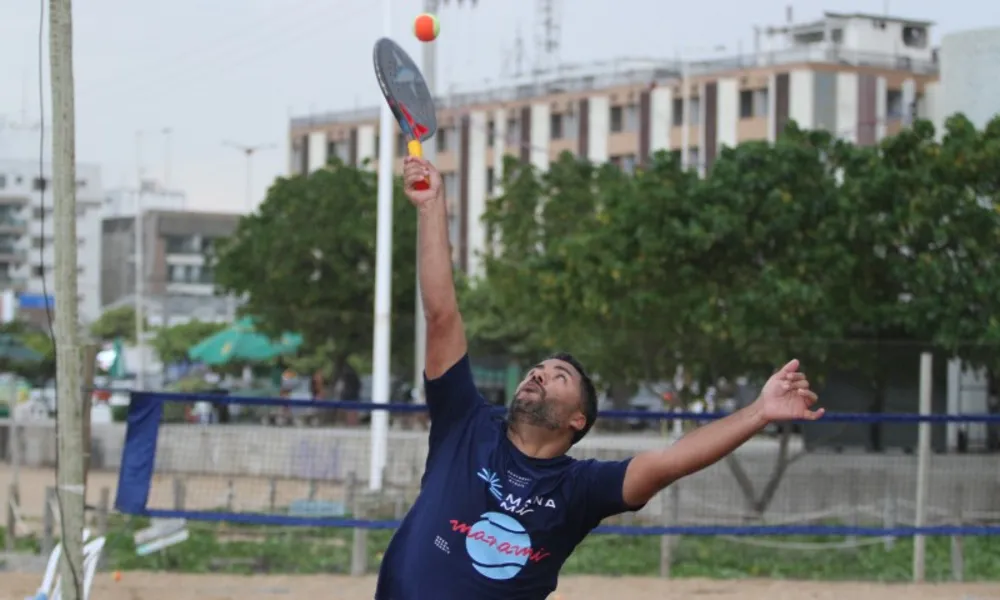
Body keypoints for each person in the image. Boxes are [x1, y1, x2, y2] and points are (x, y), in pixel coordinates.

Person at [374, 157, 826, 599]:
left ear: (578, 419)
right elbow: (441, 316)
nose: (539, 373)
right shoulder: (465, 424)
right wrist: (433, 208)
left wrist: (760, 411)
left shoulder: (580, 488)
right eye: (539, 369)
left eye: (559, 376)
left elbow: (669, 461)